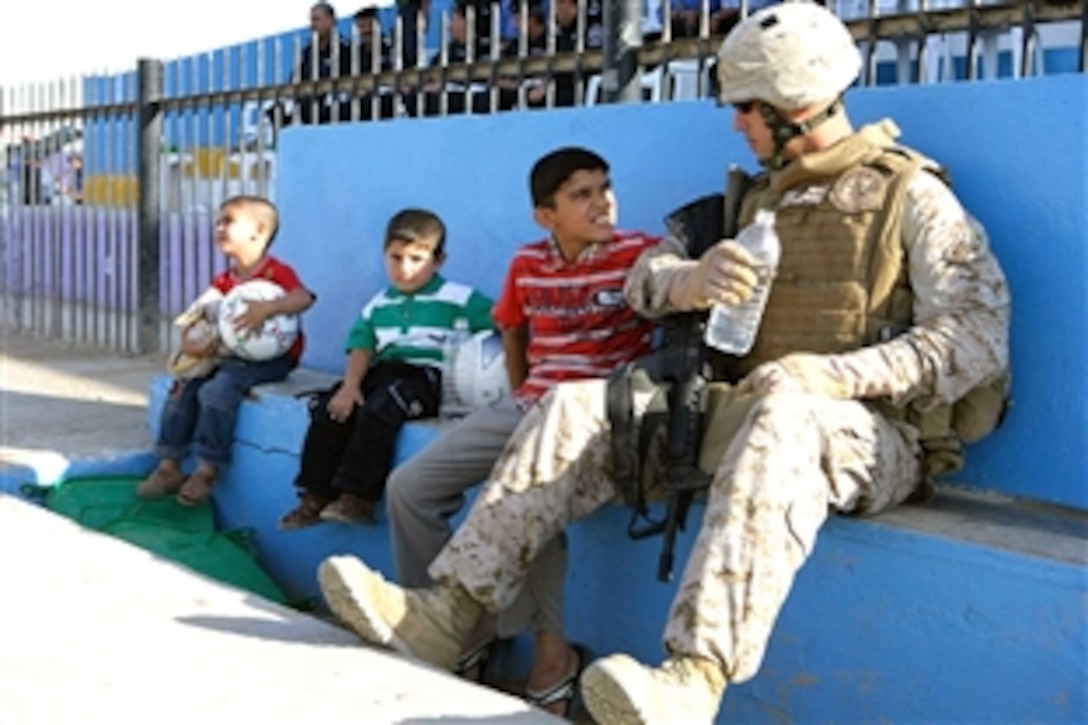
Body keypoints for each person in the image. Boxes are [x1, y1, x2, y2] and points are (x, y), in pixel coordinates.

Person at [313, 2, 1011, 723]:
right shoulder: (751, 203)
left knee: (788, 418)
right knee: (571, 405)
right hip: (741, 414)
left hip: (868, 434)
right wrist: (693, 279)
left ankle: (693, 679)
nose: (736, 124)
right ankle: (448, 612)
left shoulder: (913, 197)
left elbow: (978, 339)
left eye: (747, 108)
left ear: (793, 106)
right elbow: (643, 278)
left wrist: (831, 375)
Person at [376, 146, 661, 716]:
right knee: (408, 488)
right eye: (581, 194)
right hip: (531, 400)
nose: (601, 202)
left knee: (530, 499)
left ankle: (549, 661)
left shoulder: (642, 254)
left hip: (595, 414)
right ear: (546, 215)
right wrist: (520, 393)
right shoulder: (528, 262)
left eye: (604, 187)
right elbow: (512, 330)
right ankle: (457, 627)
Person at [278, 208, 494, 528]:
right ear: (384, 254)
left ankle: (358, 498)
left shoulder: (460, 298)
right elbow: (362, 346)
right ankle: (316, 496)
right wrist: (350, 387)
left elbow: (506, 324)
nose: (404, 268)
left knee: (382, 407)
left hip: (428, 377)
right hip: (383, 372)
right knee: (330, 407)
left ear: (439, 260)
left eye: (416, 259)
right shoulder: (379, 303)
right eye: (395, 257)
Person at [137, 195, 316, 507]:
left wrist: (268, 308)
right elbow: (195, 317)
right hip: (229, 354)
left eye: (228, 221)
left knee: (218, 391)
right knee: (184, 388)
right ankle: (169, 465)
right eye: (218, 221)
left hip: (272, 360)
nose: (218, 227)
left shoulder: (276, 273)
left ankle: (208, 469)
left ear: (258, 231)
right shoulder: (223, 281)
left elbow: (304, 298)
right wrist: (190, 345)